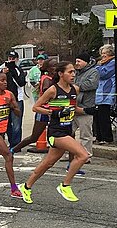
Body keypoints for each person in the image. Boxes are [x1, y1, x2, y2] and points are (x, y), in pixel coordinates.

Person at [18, 61, 89, 204]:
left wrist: (90, 110)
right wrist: (53, 112)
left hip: (67, 130)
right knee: (83, 155)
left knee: (47, 163)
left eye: (74, 72)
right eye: (70, 72)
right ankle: (65, 185)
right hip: (55, 132)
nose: (73, 75)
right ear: (61, 74)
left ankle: (26, 186)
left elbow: (73, 109)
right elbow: (36, 108)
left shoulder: (75, 89)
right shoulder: (53, 90)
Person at [11, 58, 57, 154]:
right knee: (34, 137)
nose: (55, 68)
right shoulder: (47, 80)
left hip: (53, 111)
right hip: (43, 111)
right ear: (48, 68)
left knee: (63, 134)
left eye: (56, 65)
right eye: (53, 66)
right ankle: (13, 149)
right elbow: (46, 94)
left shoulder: (51, 78)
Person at [71, 52, 99, 168]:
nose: (76, 63)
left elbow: (92, 84)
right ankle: (68, 154)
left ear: (86, 62)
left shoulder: (94, 72)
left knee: (86, 134)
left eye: (79, 61)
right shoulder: (75, 72)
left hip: (86, 106)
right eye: (76, 61)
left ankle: (86, 155)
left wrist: (77, 86)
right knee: (67, 132)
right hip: (73, 106)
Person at [95, 45, 116, 145]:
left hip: (107, 93)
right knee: (97, 117)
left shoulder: (112, 63)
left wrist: (98, 66)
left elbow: (104, 74)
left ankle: (107, 138)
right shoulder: (102, 64)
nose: (103, 56)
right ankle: (99, 136)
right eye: (102, 53)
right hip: (99, 93)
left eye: (105, 53)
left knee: (104, 117)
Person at [5, 51, 26, 148]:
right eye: (9, 58)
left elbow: (21, 83)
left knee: (17, 123)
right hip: (6, 100)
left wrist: (12, 72)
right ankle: (11, 142)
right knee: (7, 123)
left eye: (13, 58)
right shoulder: (4, 70)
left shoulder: (19, 70)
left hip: (17, 100)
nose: (11, 60)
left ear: (17, 59)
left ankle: (16, 144)